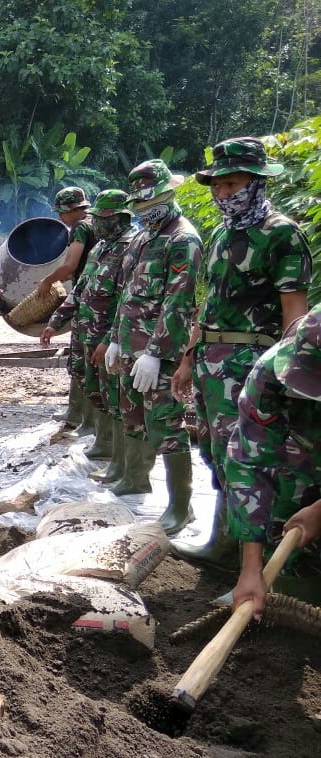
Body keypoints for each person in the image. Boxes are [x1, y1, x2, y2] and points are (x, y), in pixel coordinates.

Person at [172, 137, 311, 563]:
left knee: (252, 459)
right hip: (213, 365)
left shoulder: (281, 234)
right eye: (217, 186)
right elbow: (210, 301)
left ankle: (265, 563)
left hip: (253, 363)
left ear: (255, 183)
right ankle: (225, 542)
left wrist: (290, 379)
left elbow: (296, 314)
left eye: (232, 185)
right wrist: (188, 358)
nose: (223, 194)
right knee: (214, 452)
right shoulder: (220, 233)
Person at [104, 160, 201, 533]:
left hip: (158, 355)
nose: (144, 210)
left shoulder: (182, 239)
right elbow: (128, 295)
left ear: (167, 194)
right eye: (140, 205)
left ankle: (181, 507)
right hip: (130, 349)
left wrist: (157, 353)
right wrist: (115, 338)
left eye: (151, 202)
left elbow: (179, 302)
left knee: (166, 426)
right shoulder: (146, 237)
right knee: (134, 418)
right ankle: (136, 478)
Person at [227, 307, 321, 616]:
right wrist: (250, 567)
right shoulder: (270, 372)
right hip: (307, 441)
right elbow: (250, 464)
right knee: (289, 490)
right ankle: (293, 590)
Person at [41, 190, 138, 472]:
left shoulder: (132, 248)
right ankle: (103, 442)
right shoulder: (101, 247)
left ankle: (117, 458)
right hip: (87, 331)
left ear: (120, 217)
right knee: (94, 387)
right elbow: (81, 289)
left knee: (114, 395)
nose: (95, 222)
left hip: (108, 337)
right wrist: (56, 321)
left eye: (102, 218)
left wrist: (111, 340)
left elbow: (127, 301)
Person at [38, 187, 97, 437]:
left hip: (90, 298)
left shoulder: (82, 227)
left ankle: (83, 418)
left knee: (81, 358)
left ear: (72, 210)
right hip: (98, 295)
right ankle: (76, 413)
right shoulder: (98, 222)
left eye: (61, 213)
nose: (61, 219)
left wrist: (47, 281)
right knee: (84, 357)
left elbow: (71, 264)